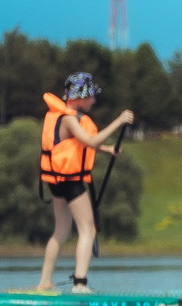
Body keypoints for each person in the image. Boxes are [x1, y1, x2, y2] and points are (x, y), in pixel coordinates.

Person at [36, 72, 133, 292]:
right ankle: (80, 284)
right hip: (71, 182)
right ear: (79, 97)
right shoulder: (70, 119)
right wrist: (118, 121)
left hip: (56, 181)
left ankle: (44, 282)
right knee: (88, 229)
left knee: (60, 230)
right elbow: (90, 140)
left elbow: (76, 144)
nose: (93, 101)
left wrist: (107, 149)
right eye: (90, 96)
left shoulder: (62, 116)